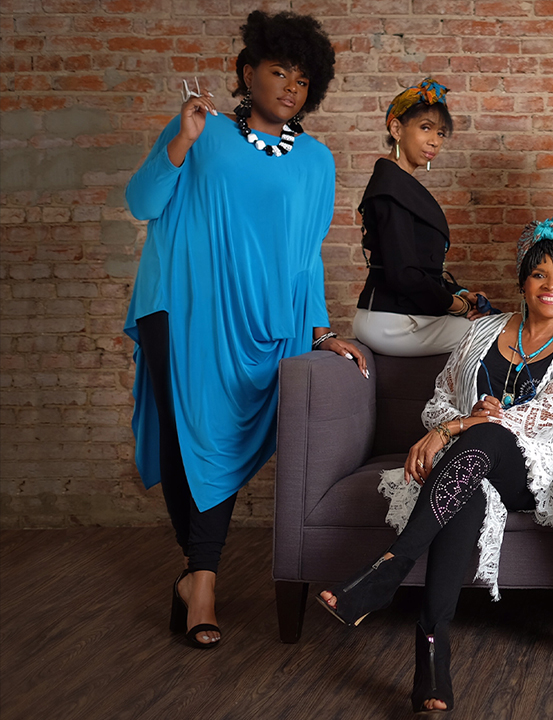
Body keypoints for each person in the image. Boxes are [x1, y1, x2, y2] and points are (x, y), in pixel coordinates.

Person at [123, 10, 359, 650]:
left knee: (218, 441)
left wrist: (319, 331)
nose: (290, 88)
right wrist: (180, 140)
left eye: (303, 80)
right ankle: (202, 582)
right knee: (187, 438)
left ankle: (191, 577)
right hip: (184, 309)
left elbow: (307, 254)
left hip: (265, 322)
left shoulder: (316, 161)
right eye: (279, 72)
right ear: (247, 72)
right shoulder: (202, 131)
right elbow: (142, 203)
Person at [318, 217, 553, 713]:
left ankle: (392, 564)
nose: (550, 285)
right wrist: (456, 420)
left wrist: (460, 426)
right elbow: (439, 400)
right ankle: (432, 657)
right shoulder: (482, 331)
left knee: (487, 435)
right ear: (522, 281)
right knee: (467, 489)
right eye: (539, 273)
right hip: (469, 464)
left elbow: (544, 416)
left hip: (532, 471)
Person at [353, 78, 490, 357]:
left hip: (401, 313)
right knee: (498, 332)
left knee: (494, 325)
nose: (434, 141)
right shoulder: (390, 190)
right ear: (396, 129)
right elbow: (403, 274)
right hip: (390, 321)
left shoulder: (399, 184)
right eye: (425, 128)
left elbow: (419, 269)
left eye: (440, 133)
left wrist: (460, 293)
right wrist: (457, 306)